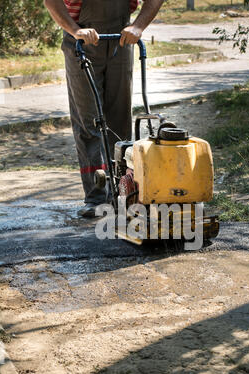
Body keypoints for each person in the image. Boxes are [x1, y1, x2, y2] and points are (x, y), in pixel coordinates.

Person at [44, 0, 164, 217]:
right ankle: (96, 197)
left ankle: (123, 194)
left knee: (120, 122)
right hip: (81, 42)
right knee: (89, 122)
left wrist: (137, 26)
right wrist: (75, 30)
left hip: (121, 39)